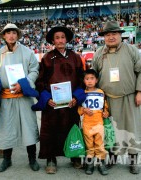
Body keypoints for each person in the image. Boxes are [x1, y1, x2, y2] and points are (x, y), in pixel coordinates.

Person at [92, 21, 141, 174]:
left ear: (120, 35)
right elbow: (92, 75)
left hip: (128, 98)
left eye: (114, 34)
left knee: (131, 129)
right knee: (110, 131)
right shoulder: (99, 53)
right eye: (107, 34)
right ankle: (112, 157)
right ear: (103, 37)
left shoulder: (131, 50)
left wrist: (140, 91)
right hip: (107, 100)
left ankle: (133, 161)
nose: (111, 37)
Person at [32, 26, 86, 174]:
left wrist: (76, 97)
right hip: (53, 103)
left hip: (70, 103)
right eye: (57, 38)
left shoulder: (75, 57)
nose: (60, 40)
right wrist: (47, 98)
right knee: (50, 131)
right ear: (53, 41)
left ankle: (74, 156)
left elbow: (82, 80)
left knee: (71, 129)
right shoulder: (47, 58)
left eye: (63, 37)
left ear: (67, 39)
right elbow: (40, 82)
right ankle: (51, 158)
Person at [0, 23, 40, 172]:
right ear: (4, 36)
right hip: (6, 97)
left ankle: (32, 159)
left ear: (17, 35)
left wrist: (24, 84)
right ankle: (7, 160)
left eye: (14, 33)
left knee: (28, 127)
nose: (11, 35)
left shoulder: (27, 52)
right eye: (8, 33)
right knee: (7, 128)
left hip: (23, 96)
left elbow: (34, 70)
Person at [78, 69, 109, 175]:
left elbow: (105, 107)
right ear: (83, 81)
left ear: (96, 80)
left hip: (99, 123)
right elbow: (79, 109)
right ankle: (89, 164)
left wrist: (106, 113)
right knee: (89, 145)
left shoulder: (101, 92)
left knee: (100, 144)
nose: (89, 81)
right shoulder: (82, 93)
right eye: (87, 79)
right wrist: (84, 110)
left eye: (92, 78)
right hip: (87, 124)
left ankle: (101, 163)